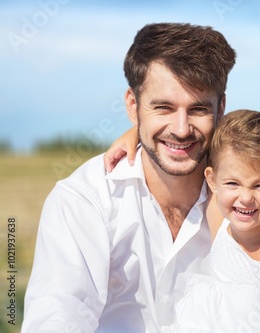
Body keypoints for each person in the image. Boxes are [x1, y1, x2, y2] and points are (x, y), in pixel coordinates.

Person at [22, 22, 236, 332]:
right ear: (133, 107)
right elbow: (57, 315)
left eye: (198, 109)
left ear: (221, 110)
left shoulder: (245, 197)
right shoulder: (84, 201)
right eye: (163, 107)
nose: (181, 128)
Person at [107, 110, 260, 332]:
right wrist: (138, 132)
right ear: (213, 181)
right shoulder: (219, 217)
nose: (245, 198)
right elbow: (195, 141)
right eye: (233, 184)